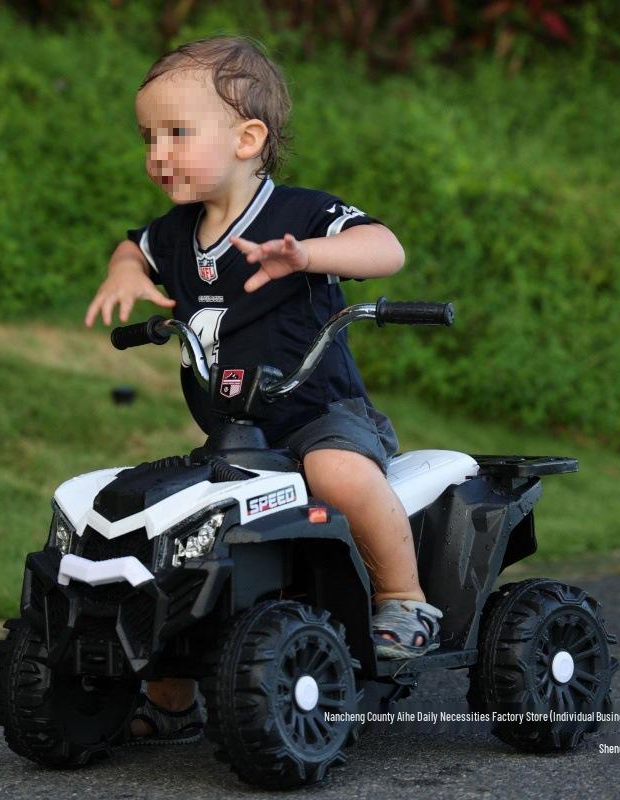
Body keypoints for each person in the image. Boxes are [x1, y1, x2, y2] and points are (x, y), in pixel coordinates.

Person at [84, 36, 443, 744]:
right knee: (183, 532)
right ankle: (171, 691)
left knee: (336, 472)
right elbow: (133, 247)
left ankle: (405, 599)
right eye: (148, 136)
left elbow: (386, 248)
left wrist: (309, 256)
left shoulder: (299, 215)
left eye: (177, 133)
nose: (156, 153)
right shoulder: (176, 234)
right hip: (237, 437)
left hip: (322, 417)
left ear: (247, 139)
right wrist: (125, 272)